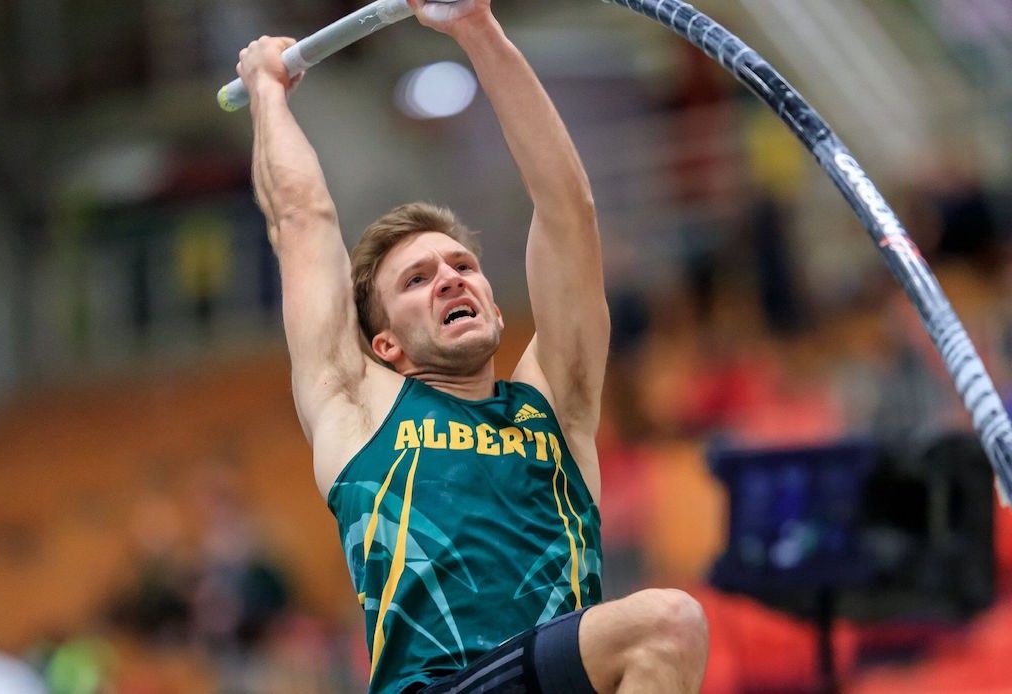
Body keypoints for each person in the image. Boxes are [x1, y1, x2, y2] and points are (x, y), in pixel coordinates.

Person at [236, 0, 708, 691]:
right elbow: (301, 220)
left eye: (462, 266)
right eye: (418, 279)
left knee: (665, 635)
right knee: (666, 622)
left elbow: (567, 210)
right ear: (386, 344)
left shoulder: (557, 405)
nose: (450, 279)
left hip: (547, 679)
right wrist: (267, 96)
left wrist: (476, 27)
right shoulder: (357, 411)